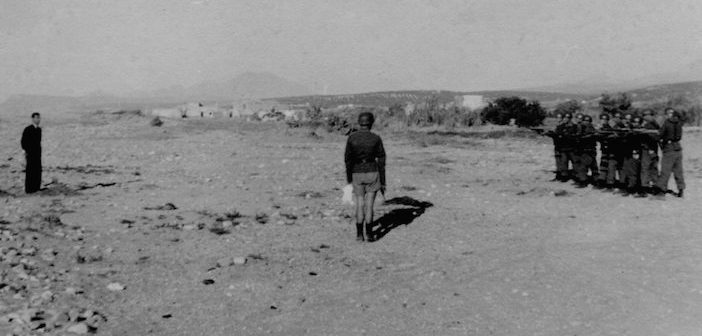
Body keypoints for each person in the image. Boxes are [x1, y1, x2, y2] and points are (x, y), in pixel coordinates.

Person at [344, 112, 386, 241]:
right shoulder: (376, 138)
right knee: (369, 205)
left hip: (357, 172)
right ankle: (369, 234)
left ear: (359, 122)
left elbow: (348, 159)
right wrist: (383, 180)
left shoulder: (352, 138)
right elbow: (381, 159)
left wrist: (349, 177)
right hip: (372, 171)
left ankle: (359, 235)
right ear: (371, 123)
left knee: (359, 204)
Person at [654, 108, 684, 198]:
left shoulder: (667, 123)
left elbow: (660, 135)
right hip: (678, 148)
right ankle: (681, 190)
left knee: (665, 171)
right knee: (678, 171)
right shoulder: (679, 122)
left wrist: (658, 138)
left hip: (669, 149)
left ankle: (661, 192)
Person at [21, 112, 43, 193]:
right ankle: (29, 189)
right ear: (33, 119)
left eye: (39, 118)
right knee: (30, 171)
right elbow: (23, 141)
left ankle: (36, 187)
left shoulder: (39, 130)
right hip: (30, 154)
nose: (38, 119)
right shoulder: (28, 129)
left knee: (37, 170)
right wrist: (25, 150)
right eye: (36, 118)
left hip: (37, 154)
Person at [573, 115, 598, 187]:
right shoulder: (581, 128)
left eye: (588, 121)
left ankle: (584, 181)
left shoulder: (590, 129)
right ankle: (594, 181)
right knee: (592, 166)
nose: (586, 122)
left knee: (585, 166)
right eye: (585, 121)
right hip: (585, 150)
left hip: (589, 150)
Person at [639, 110, 660, 193]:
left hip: (648, 149)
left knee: (646, 168)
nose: (646, 117)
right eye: (645, 115)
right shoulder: (655, 124)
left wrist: (650, 149)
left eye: (648, 115)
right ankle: (654, 185)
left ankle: (645, 187)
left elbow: (652, 138)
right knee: (653, 167)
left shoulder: (648, 125)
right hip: (652, 149)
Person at [595, 113, 617, 190]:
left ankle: (610, 183)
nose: (603, 121)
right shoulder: (601, 128)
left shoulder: (610, 129)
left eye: (605, 119)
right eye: (602, 119)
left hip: (611, 151)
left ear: (608, 120)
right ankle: (602, 181)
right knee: (603, 166)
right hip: (604, 150)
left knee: (611, 167)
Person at [554, 113, 578, 182]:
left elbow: (576, 136)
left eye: (568, 118)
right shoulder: (561, 126)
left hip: (572, 148)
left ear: (570, 118)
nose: (566, 119)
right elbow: (557, 134)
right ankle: (564, 176)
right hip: (563, 148)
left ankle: (576, 177)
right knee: (564, 162)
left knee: (575, 163)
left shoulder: (574, 126)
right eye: (565, 118)